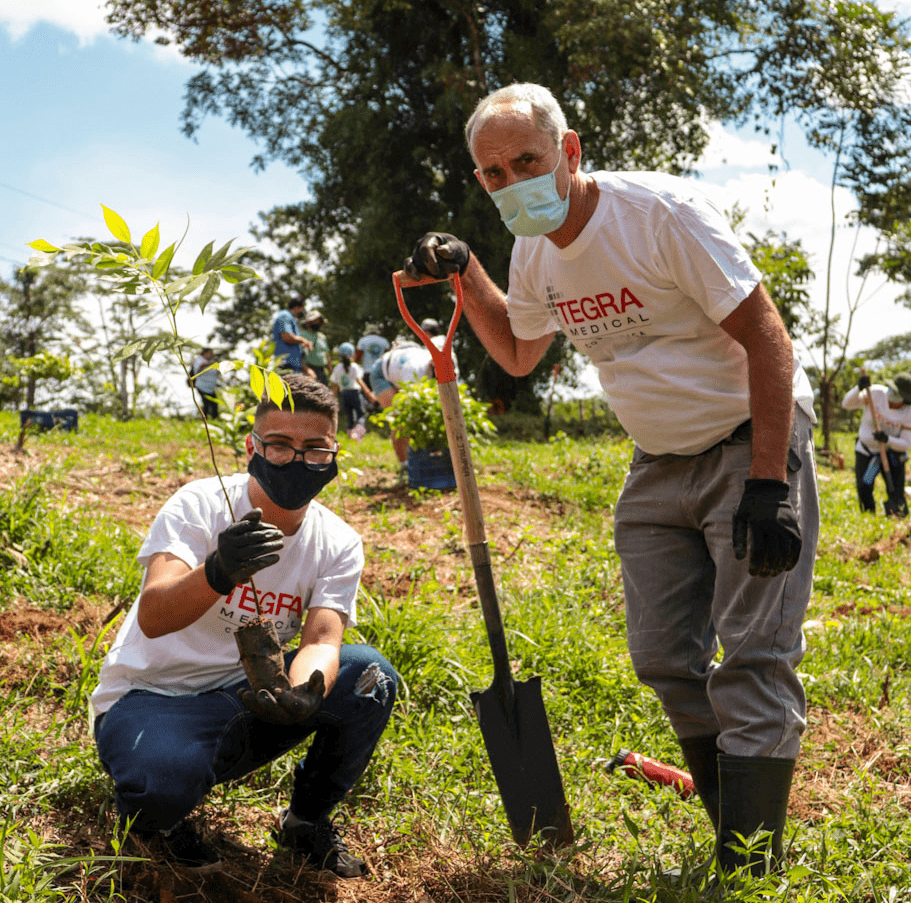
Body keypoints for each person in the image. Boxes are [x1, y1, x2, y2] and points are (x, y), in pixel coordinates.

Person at [404, 82, 818, 879]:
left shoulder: (659, 216)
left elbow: (767, 336)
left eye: (525, 159)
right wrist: (467, 272)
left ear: (569, 151)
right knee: (662, 653)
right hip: (657, 459)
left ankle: (749, 869)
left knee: (753, 656)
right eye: (491, 173)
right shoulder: (531, 252)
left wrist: (768, 482)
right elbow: (521, 352)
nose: (509, 180)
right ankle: (733, 832)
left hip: (746, 443)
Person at [90, 375, 397, 879]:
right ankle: (160, 819)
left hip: (249, 694)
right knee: (161, 781)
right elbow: (154, 614)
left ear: (334, 453)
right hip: (154, 696)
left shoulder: (339, 541)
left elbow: (323, 638)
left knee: (370, 678)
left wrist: (299, 691)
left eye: (314, 448)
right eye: (279, 445)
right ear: (252, 446)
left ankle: (304, 822)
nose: (296, 460)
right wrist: (215, 572)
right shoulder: (199, 505)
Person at [371, 338, 459, 474]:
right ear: (431, 365)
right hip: (382, 372)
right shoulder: (414, 370)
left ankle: (434, 459)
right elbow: (410, 407)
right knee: (401, 420)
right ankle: (405, 466)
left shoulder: (452, 369)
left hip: (401, 368)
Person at [841, 372, 911, 516]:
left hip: (891, 455)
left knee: (895, 489)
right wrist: (858, 388)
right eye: (892, 389)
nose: (892, 395)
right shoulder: (876, 394)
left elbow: (905, 444)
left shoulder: (908, 413)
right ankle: (869, 514)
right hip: (868, 452)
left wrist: (887, 440)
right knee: (865, 485)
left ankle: (896, 513)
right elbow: (846, 404)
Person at [330, 342, 377, 438]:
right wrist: (369, 394)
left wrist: (332, 401)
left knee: (350, 416)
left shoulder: (337, 368)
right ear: (352, 354)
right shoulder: (354, 367)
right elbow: (360, 382)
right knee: (361, 415)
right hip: (355, 394)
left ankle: (350, 433)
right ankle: (357, 434)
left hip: (344, 394)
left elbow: (334, 386)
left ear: (340, 354)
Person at [272, 298, 313, 372]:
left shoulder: (292, 319)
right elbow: (287, 337)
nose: (303, 312)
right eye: (302, 309)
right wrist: (304, 340)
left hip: (294, 364)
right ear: (297, 308)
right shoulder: (285, 316)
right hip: (286, 363)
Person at [354, 324, 391, 394]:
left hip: (367, 372)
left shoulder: (362, 341)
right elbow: (389, 357)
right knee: (381, 396)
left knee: (367, 397)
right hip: (381, 373)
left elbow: (357, 359)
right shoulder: (384, 341)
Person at [301, 309, 331, 385]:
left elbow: (327, 355)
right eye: (315, 321)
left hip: (321, 371)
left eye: (318, 321)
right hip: (309, 371)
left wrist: (331, 371)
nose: (317, 323)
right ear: (308, 323)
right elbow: (298, 355)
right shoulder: (302, 335)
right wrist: (307, 370)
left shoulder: (322, 337)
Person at [190, 347, 220, 420]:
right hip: (202, 386)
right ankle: (204, 420)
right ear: (205, 353)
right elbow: (199, 368)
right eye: (210, 353)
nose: (211, 355)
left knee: (214, 404)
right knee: (206, 403)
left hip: (211, 388)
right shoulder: (199, 360)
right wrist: (210, 364)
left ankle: (215, 420)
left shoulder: (213, 361)